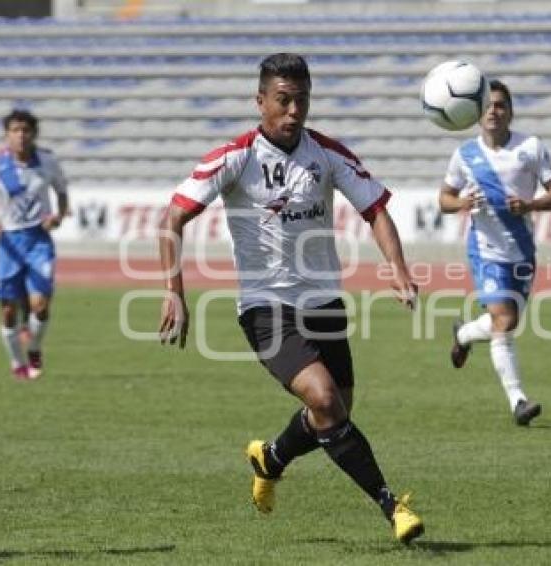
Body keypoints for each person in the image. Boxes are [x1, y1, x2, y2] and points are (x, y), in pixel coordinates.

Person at [158, 53, 424, 543]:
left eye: (302, 100)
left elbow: (377, 210)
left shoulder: (326, 154)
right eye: (283, 100)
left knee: (334, 408)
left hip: (324, 304)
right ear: (260, 101)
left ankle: (270, 457)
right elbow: (171, 219)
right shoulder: (235, 157)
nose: (294, 111)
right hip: (266, 308)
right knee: (325, 400)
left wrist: (398, 268)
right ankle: (392, 507)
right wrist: (174, 293)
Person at [439, 80, 551, 426]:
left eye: (500, 105)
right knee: (505, 323)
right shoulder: (465, 154)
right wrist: (463, 202)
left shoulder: (531, 147)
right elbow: (444, 199)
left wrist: (530, 204)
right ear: (478, 113)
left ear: (510, 112)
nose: (494, 111)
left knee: (504, 323)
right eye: (488, 105)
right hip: (486, 252)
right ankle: (518, 401)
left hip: (522, 251)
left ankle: (464, 334)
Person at [0, 109, 68, 380]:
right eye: (15, 131)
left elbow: (62, 193)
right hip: (9, 244)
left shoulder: (48, 161)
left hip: (39, 239)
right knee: (8, 311)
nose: (21, 136)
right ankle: (18, 364)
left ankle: (35, 349)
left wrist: (59, 216)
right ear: (7, 135)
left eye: (26, 130)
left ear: (34, 134)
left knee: (40, 305)